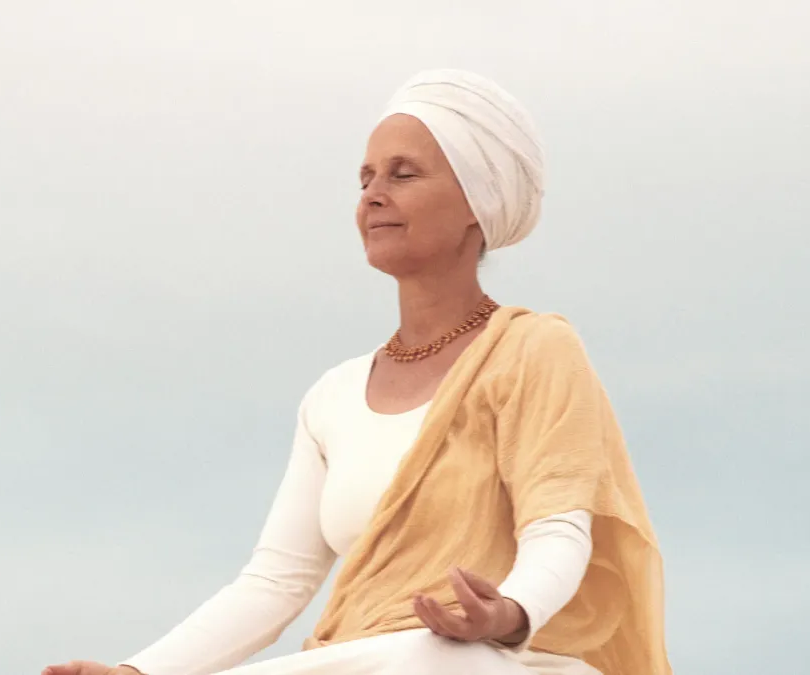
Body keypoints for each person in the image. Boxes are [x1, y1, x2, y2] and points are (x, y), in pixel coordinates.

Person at [43, 69, 670, 675]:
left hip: (496, 662)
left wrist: (507, 614)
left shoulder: (534, 349)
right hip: (373, 658)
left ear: (476, 202)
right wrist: (139, 670)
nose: (372, 196)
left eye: (403, 174)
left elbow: (558, 527)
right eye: (365, 178)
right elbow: (275, 581)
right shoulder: (333, 396)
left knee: (438, 657)